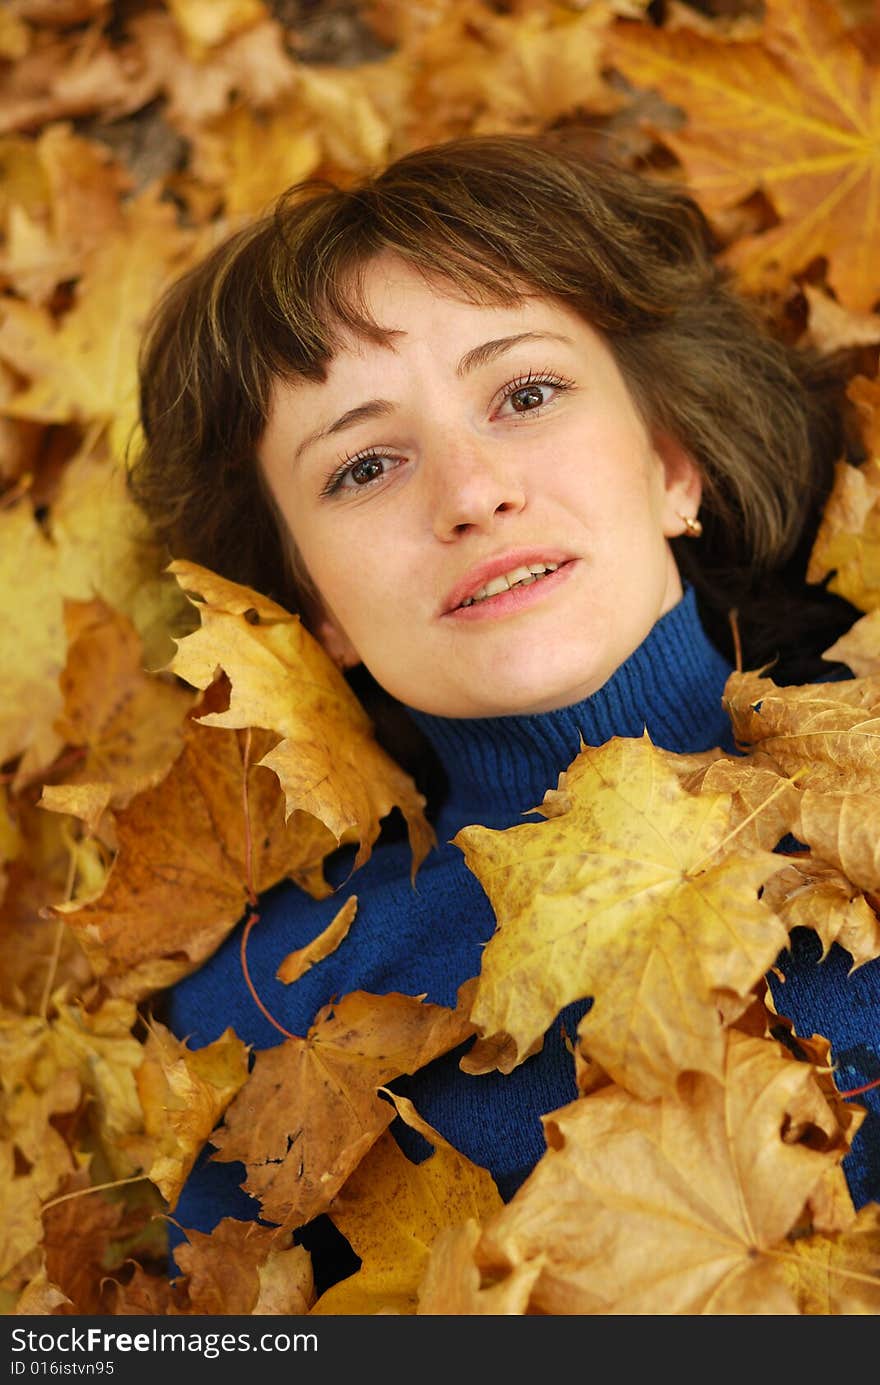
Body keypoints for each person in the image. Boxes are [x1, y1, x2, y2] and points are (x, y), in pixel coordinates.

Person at [128, 132, 877, 1294]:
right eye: (363, 466)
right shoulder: (262, 1014)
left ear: (671, 463)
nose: (472, 490)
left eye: (525, 393)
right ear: (311, 608)